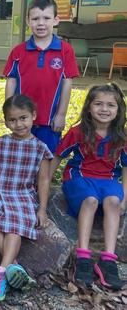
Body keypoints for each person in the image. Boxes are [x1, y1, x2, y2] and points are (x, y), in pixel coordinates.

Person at [0, 95, 52, 301]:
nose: (18, 124)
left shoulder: (40, 148)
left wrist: (42, 209)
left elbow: (43, 180)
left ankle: (0, 273)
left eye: (23, 118)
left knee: (16, 223)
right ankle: (14, 267)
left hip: (22, 194)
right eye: (12, 120)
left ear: (33, 116)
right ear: (5, 120)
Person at [51, 84, 127, 290]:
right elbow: (58, 156)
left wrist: (125, 197)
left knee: (113, 201)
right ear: (89, 107)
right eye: (99, 104)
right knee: (91, 200)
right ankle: (83, 257)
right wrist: (44, 184)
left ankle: (108, 259)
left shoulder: (122, 135)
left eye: (111, 105)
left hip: (108, 180)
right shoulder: (78, 132)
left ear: (119, 110)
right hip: (80, 177)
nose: (104, 109)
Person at [4, 0, 79, 153]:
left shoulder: (65, 50)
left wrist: (61, 115)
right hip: (22, 119)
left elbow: (67, 83)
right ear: (28, 21)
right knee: (22, 157)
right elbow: (11, 81)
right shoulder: (18, 51)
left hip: (50, 120)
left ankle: (43, 179)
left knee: (47, 157)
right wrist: (9, 111)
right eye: (36, 18)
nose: (41, 23)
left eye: (46, 18)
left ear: (56, 20)